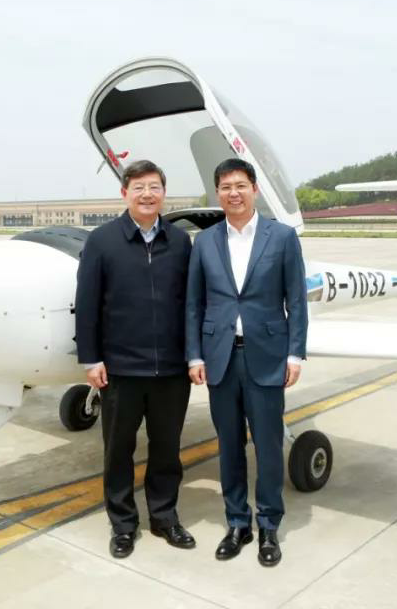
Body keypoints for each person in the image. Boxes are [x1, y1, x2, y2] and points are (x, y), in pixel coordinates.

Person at [185, 157, 308, 567]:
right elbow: (194, 304)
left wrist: (295, 353)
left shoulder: (282, 237)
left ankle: (269, 526)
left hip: (268, 357)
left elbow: (296, 300)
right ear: (217, 193)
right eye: (225, 187)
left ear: (254, 189)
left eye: (240, 185)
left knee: (268, 446)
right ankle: (237, 523)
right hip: (219, 358)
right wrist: (195, 354)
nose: (233, 193)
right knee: (229, 445)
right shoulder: (204, 242)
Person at [75, 159, 195, 559]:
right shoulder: (102, 241)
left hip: (171, 371)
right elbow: (87, 304)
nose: (147, 194)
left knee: (167, 450)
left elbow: (191, 303)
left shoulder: (180, 242)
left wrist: (193, 355)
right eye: (139, 187)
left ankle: (164, 517)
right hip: (120, 371)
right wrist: (91, 358)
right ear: (124, 193)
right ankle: (123, 525)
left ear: (164, 193)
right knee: (117, 452)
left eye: (154, 187)